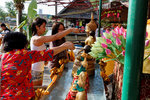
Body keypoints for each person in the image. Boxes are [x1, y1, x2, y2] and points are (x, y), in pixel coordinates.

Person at [0, 32, 75, 100]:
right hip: (23, 96)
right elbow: (47, 54)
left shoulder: (2, 57)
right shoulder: (25, 55)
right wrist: (64, 46)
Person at [30, 17, 79, 86]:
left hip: (39, 69)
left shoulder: (38, 38)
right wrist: (70, 30)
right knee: (36, 90)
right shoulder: (36, 39)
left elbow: (43, 53)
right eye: (43, 27)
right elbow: (55, 37)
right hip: (36, 70)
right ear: (37, 27)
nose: (45, 29)